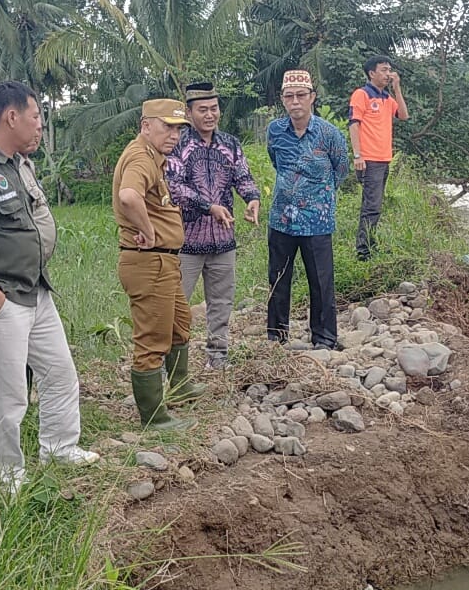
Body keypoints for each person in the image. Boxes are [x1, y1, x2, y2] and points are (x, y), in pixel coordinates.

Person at [0, 81, 98, 492]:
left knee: (60, 372)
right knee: (7, 394)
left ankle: (60, 447)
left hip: (35, 292)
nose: (39, 129)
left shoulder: (14, 164)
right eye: (35, 119)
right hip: (1, 299)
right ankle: (5, 475)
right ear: (11, 117)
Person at [113, 99, 201, 431]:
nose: (174, 134)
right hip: (149, 262)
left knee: (180, 322)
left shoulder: (153, 157)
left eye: (179, 128)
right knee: (152, 338)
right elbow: (129, 196)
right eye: (167, 126)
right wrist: (148, 230)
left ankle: (179, 386)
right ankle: (153, 417)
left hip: (163, 261)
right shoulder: (140, 157)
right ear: (146, 125)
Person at [165, 82, 261, 370]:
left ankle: (218, 356)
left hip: (223, 239)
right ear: (190, 112)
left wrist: (252, 198)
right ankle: (169, 360)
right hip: (186, 240)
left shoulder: (230, 144)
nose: (210, 115)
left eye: (214, 109)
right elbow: (174, 187)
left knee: (221, 302)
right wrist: (209, 207)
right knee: (176, 304)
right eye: (203, 110)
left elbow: (243, 176)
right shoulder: (178, 144)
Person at [265, 69, 349, 350]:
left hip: (317, 220)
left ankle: (324, 337)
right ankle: (277, 335)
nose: (295, 102)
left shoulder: (329, 133)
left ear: (312, 97)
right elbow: (276, 162)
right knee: (278, 279)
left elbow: (341, 169)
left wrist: (318, 196)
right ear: (282, 99)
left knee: (321, 282)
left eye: (301, 95)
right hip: (282, 218)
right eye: (289, 96)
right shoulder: (275, 130)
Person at [348, 55, 409, 261]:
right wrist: (358, 155)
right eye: (383, 70)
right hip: (369, 159)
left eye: (389, 70)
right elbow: (354, 124)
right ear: (371, 73)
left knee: (376, 205)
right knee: (371, 206)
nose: (388, 74)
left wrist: (397, 89)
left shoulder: (386, 98)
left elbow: (403, 115)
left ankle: (370, 246)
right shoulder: (362, 95)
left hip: (384, 159)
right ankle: (363, 252)